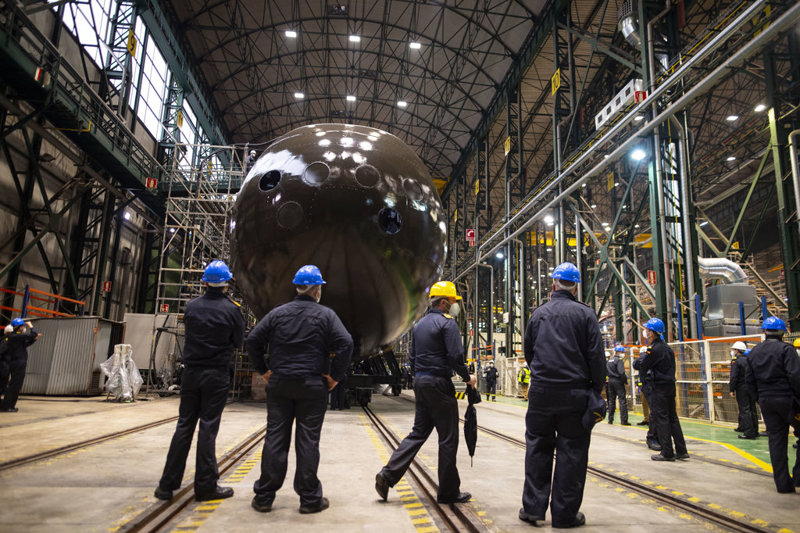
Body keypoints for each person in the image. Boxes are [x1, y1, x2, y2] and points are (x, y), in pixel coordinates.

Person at [248, 265, 353, 514]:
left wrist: (263, 370)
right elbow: (346, 342)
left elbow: (253, 339)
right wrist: (335, 376)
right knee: (308, 440)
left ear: (297, 287)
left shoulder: (277, 313)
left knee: (275, 438)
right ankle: (309, 499)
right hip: (312, 386)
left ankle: (264, 497)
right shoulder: (326, 315)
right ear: (317, 290)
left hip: (280, 384)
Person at [519, 262, 606, 528]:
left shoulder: (538, 314)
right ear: (576, 287)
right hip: (574, 394)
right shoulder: (586, 315)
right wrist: (595, 389)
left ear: (553, 285)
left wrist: (543, 376)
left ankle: (533, 509)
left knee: (537, 447)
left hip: (542, 393)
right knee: (572, 452)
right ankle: (565, 516)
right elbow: (596, 357)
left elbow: (529, 352)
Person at [375, 281, 477, 504]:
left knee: (418, 433)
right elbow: (455, 356)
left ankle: (387, 475)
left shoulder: (419, 325)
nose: (455, 306)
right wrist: (467, 377)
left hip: (421, 383)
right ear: (444, 302)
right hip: (439, 384)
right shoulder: (447, 324)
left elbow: (412, 357)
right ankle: (448, 492)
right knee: (448, 438)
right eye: (453, 301)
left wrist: (421, 378)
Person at [154, 260, 244, 502]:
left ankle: (166, 485)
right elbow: (238, 341)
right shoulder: (232, 310)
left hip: (191, 374)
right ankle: (206, 486)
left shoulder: (191, 307)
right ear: (226, 284)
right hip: (216, 374)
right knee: (208, 428)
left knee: (184, 425)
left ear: (204, 282)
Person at [743, 316, 800, 493]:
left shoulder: (754, 352)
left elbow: (749, 381)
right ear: (783, 333)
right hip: (788, 400)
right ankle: (798, 477)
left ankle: (783, 485)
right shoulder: (787, 350)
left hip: (767, 402)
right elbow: (795, 376)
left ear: (764, 332)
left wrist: (759, 398)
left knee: (776, 440)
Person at [637, 318, 688, 461]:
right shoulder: (667, 348)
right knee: (673, 418)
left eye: (647, 329)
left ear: (652, 333)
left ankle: (667, 452)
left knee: (662, 419)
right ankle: (681, 450)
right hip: (670, 387)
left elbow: (642, 365)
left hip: (659, 388)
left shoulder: (654, 349)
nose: (645, 331)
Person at [0, 319, 40, 412]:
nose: (23, 328)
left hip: (17, 363)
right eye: (22, 326)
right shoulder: (14, 336)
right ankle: (8, 406)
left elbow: (25, 344)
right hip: (17, 363)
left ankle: (8, 405)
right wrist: (31, 326)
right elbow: (32, 334)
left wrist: (33, 340)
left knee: (15, 385)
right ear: (18, 327)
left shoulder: (15, 337)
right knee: (15, 385)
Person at [729, 342, 758, 439]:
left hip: (742, 388)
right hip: (751, 387)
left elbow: (734, 376)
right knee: (752, 409)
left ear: (737, 351)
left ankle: (749, 432)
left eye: (734, 349)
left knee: (745, 409)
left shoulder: (736, 362)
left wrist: (731, 389)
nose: (733, 351)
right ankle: (754, 430)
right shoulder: (749, 360)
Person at [607, 345, 630, 425]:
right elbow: (621, 373)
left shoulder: (609, 361)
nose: (623, 354)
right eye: (622, 352)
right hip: (618, 382)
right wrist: (625, 381)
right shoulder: (619, 361)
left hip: (610, 382)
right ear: (619, 352)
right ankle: (624, 420)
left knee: (611, 401)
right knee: (622, 401)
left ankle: (610, 420)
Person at [635, 346, 650, 426]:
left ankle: (651, 419)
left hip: (649, 384)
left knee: (650, 403)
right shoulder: (640, 362)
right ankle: (646, 419)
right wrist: (638, 385)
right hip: (644, 385)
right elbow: (638, 372)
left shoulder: (651, 359)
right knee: (644, 403)